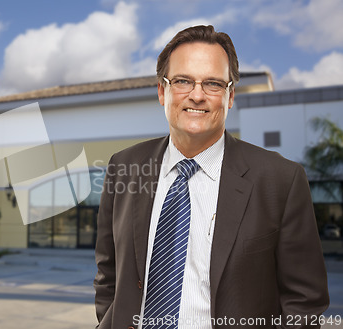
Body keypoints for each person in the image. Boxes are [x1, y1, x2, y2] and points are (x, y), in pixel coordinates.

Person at [94, 25, 329, 329]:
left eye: (213, 84)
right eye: (182, 81)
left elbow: (305, 301)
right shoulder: (123, 167)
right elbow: (107, 274)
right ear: (162, 91)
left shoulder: (280, 180)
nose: (196, 95)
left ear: (230, 96)